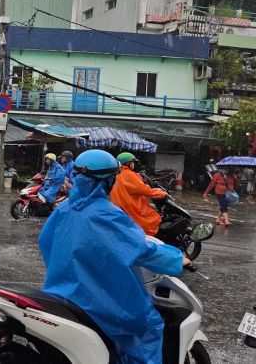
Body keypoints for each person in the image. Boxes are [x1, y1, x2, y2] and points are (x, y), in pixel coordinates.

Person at [38, 149, 189, 364]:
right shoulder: (106, 213)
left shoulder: (65, 209)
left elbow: (45, 242)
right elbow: (141, 249)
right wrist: (176, 259)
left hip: (61, 292)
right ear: (108, 181)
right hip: (98, 299)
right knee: (148, 326)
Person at [110, 152, 167, 236]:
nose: (134, 164)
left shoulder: (116, 175)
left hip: (121, 207)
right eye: (133, 162)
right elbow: (144, 190)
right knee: (154, 218)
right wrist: (161, 193)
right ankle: (152, 238)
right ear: (128, 163)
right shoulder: (129, 175)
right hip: (130, 207)